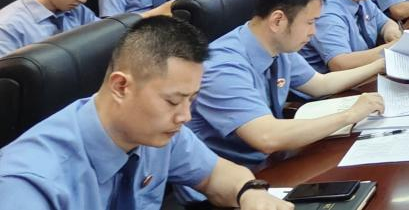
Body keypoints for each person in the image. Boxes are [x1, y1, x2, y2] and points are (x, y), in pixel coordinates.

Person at [0, 17, 292, 210]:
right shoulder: (27, 184)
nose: (185, 116)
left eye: (191, 100)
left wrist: (250, 192)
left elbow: (216, 174)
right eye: (173, 101)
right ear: (121, 86)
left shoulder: (156, 132)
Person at [188, 0, 385, 168]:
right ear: (278, 20)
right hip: (234, 176)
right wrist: (350, 115)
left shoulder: (276, 44)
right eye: (310, 22)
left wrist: (380, 65)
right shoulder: (223, 67)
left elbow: (321, 84)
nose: (313, 32)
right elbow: (267, 137)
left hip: (271, 161)